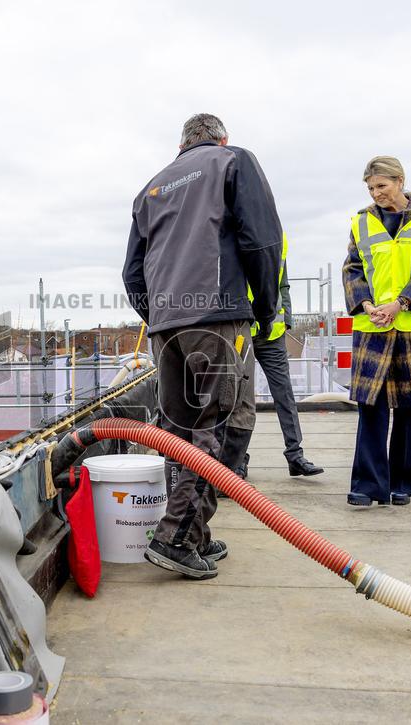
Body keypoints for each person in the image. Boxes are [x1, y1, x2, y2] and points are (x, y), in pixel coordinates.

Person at [123, 113, 282, 579]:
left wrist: (158, 319)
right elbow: (261, 242)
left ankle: (195, 535)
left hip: (166, 325)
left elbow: (132, 272)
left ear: (182, 145)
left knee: (179, 429)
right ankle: (175, 537)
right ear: (221, 138)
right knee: (225, 422)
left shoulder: (151, 187)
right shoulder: (233, 161)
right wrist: (266, 309)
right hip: (217, 315)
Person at [342, 156, 411, 506]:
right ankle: (367, 485)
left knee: (407, 407)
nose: (376, 194)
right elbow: (353, 269)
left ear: (400, 181)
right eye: (371, 188)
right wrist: (366, 305)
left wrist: (400, 304)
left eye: (382, 186)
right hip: (373, 325)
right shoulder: (361, 222)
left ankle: (402, 482)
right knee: (370, 406)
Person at [238, 233, 323, 479]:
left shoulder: (279, 237)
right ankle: (238, 459)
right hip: (242, 332)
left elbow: (282, 283)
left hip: (273, 334)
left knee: (284, 395)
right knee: (241, 400)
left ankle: (295, 456)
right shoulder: (231, 230)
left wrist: (287, 320)